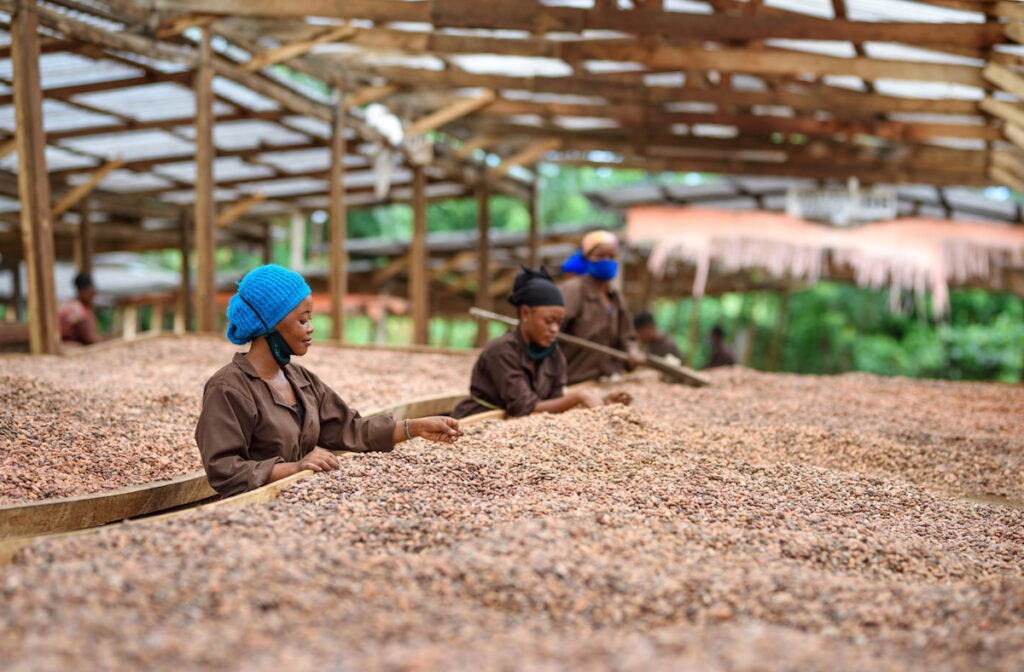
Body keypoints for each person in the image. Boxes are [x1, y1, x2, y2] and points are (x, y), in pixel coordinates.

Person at [195, 264, 462, 497]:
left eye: (310, 319)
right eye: (302, 320)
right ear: (269, 326)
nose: (311, 328)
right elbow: (223, 470)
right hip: (250, 511)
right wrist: (296, 468)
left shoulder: (301, 380)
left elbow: (350, 429)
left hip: (303, 504)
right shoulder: (229, 388)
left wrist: (414, 428)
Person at [452, 266, 630, 419]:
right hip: (476, 423)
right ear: (525, 314)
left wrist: (603, 401)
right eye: (549, 321)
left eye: (559, 323)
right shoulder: (501, 351)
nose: (555, 329)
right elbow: (524, 407)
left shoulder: (553, 354)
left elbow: (554, 404)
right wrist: (579, 397)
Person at [558, 230, 645, 385]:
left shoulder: (616, 297)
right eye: (600, 256)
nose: (607, 260)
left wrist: (632, 351)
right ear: (586, 258)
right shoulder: (572, 290)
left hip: (605, 380)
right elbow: (552, 334)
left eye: (612, 256)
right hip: (573, 381)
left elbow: (627, 336)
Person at [59, 272, 104, 345]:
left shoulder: (68, 304)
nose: (93, 298)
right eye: (93, 294)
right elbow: (90, 339)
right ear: (83, 292)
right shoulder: (77, 309)